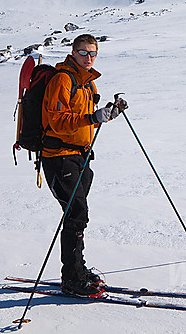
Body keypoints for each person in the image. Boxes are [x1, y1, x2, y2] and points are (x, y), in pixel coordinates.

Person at [40, 34, 127, 296]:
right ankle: (72, 278)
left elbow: (84, 120)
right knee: (76, 214)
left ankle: (77, 270)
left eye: (92, 53)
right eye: (83, 52)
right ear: (73, 52)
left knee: (77, 214)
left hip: (80, 156)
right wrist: (92, 116)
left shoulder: (87, 84)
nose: (88, 58)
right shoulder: (63, 79)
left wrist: (107, 114)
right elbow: (58, 121)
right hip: (59, 157)